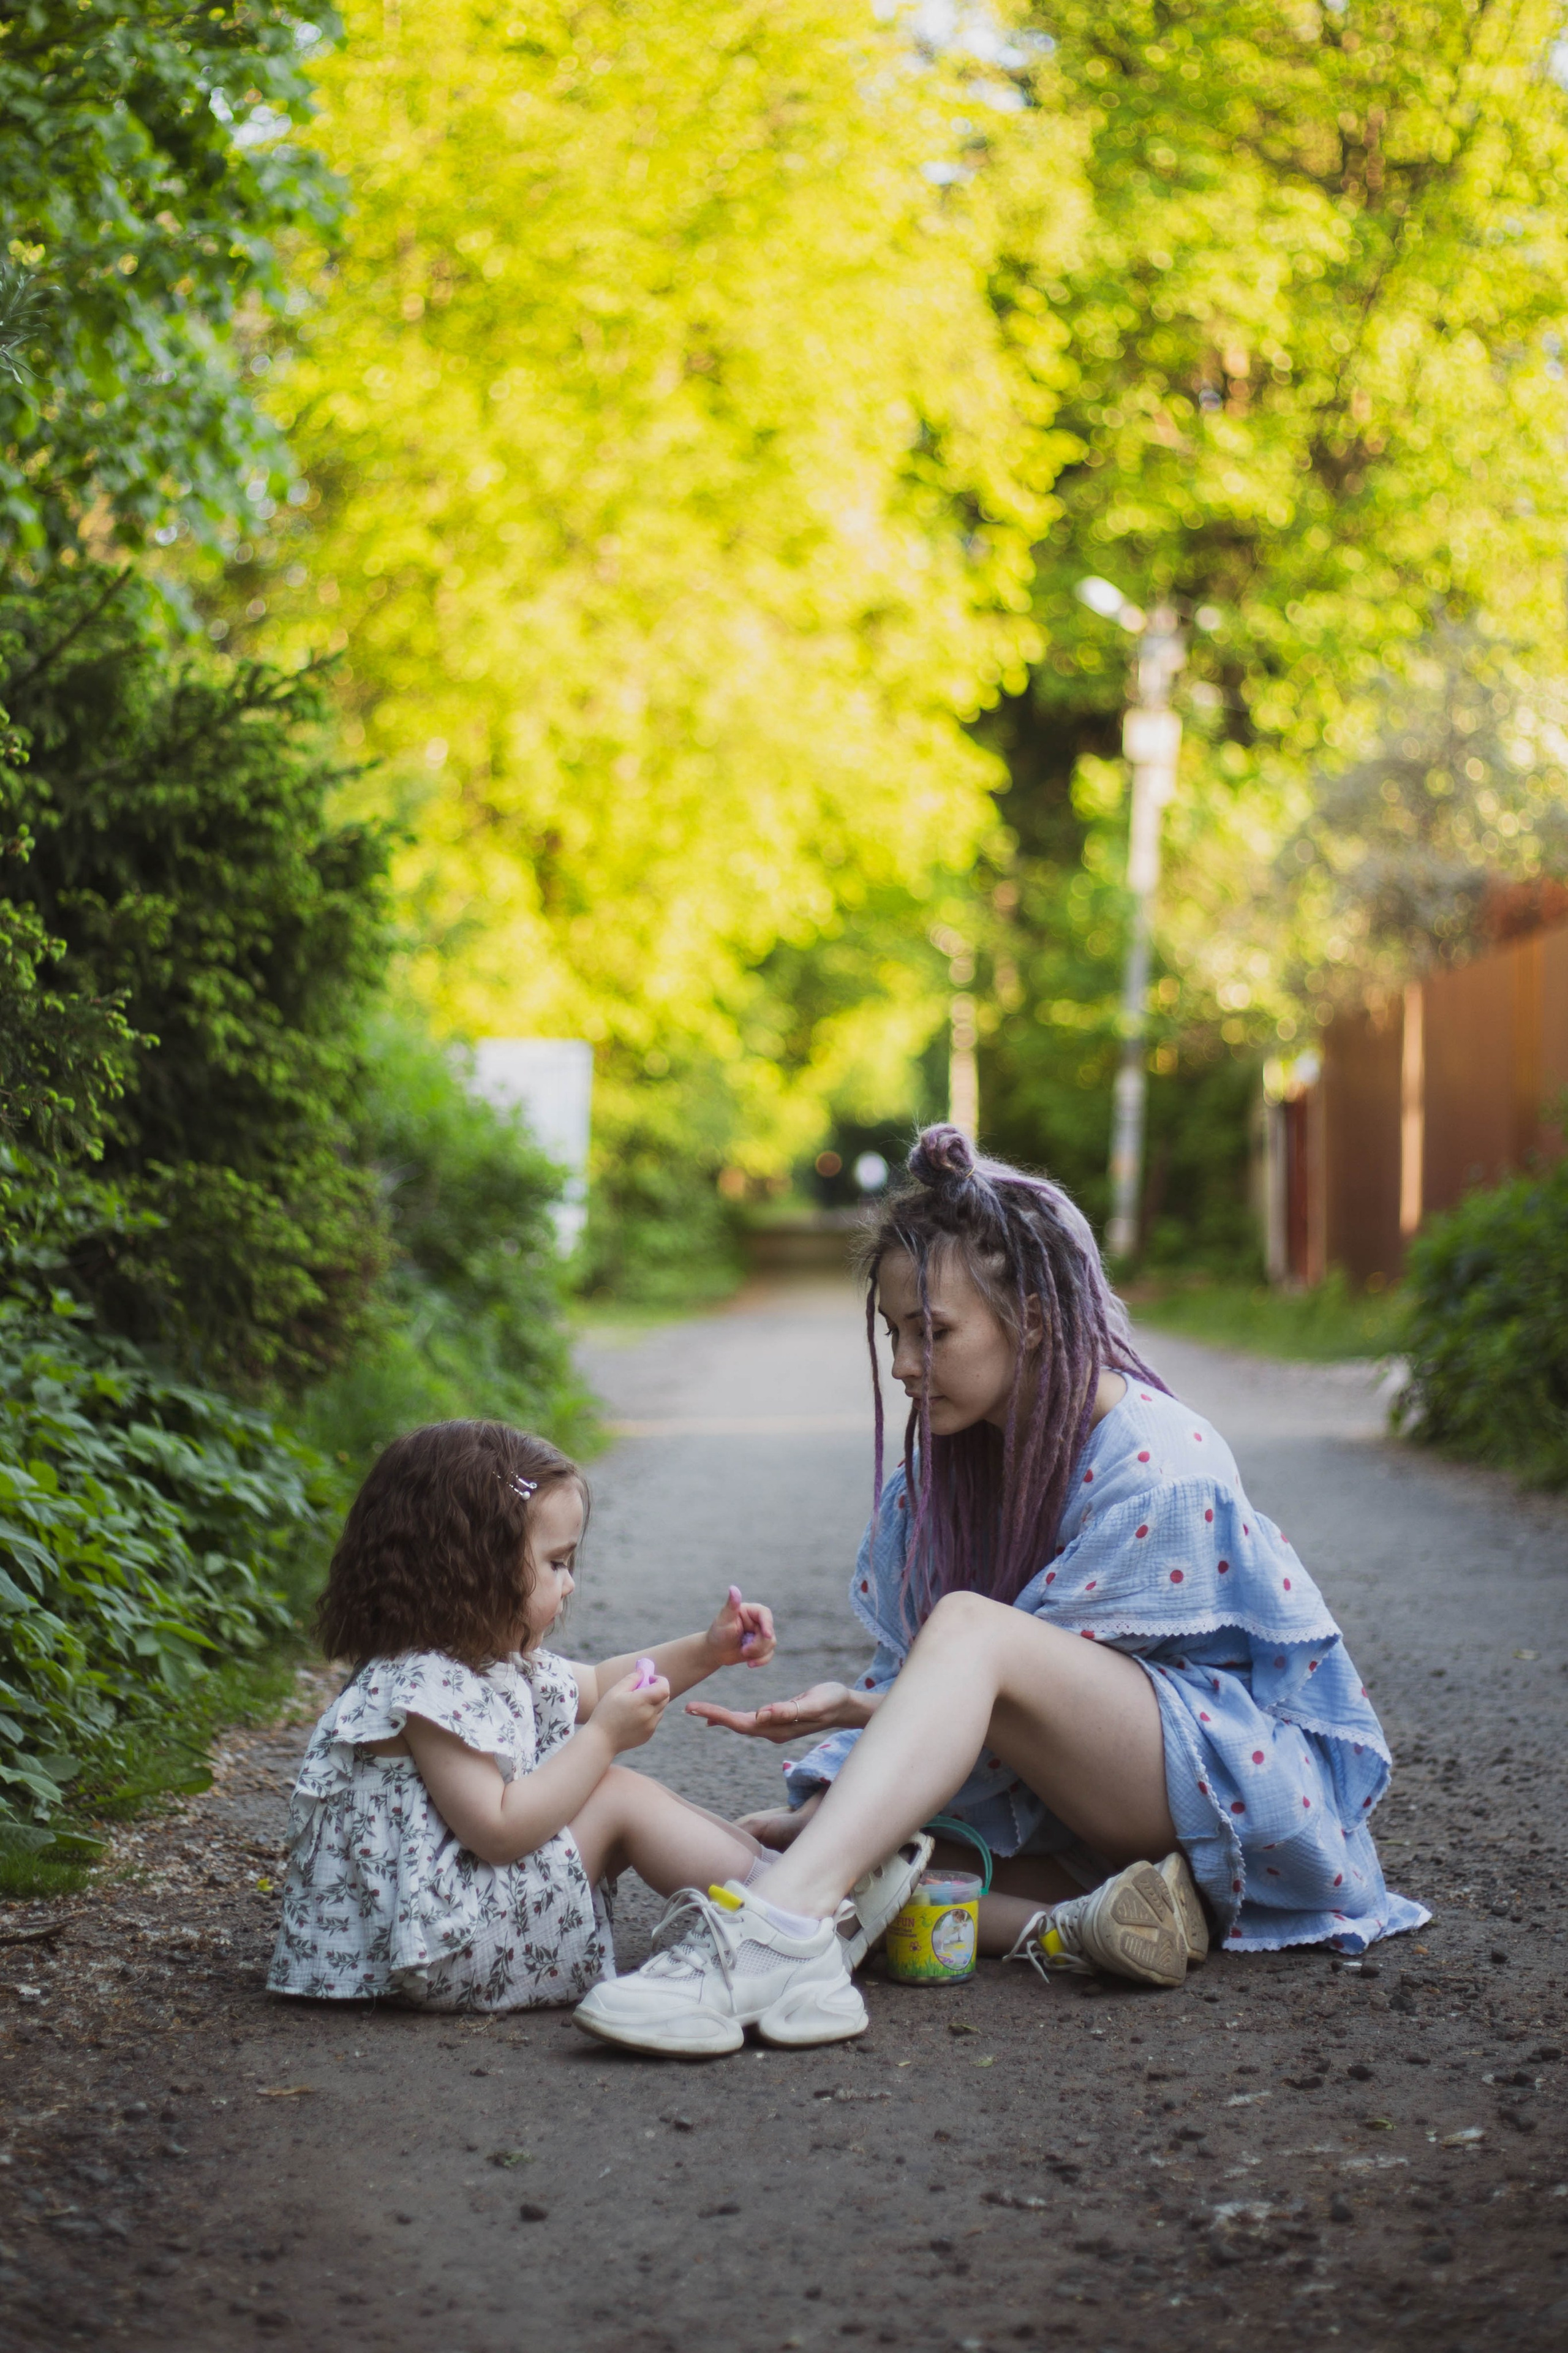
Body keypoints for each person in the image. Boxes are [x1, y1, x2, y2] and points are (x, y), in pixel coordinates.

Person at [572, 1125, 1428, 2058]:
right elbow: (967, 1710)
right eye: (893, 1332)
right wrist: (844, 1791)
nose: (904, 1364)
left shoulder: (1161, 1462)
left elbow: (1002, 1674)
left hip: (1226, 1792)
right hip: (1088, 1818)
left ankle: (776, 1933)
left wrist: (867, 1725)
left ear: (1032, 1322)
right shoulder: (947, 1472)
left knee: (957, 1653)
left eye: (932, 1333)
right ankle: (1053, 1921)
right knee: (824, 1842)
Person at [267, 1419, 788, 2014]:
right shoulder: (423, 1687)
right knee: (615, 1794)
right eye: (556, 1563)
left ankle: (791, 1877)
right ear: (472, 1568)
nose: (569, 1584)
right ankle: (793, 1914)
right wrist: (602, 1739)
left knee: (617, 1795)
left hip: (458, 1921)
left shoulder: (484, 1658)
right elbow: (498, 1830)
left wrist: (709, 1648)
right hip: (446, 1946)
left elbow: (596, 1682)